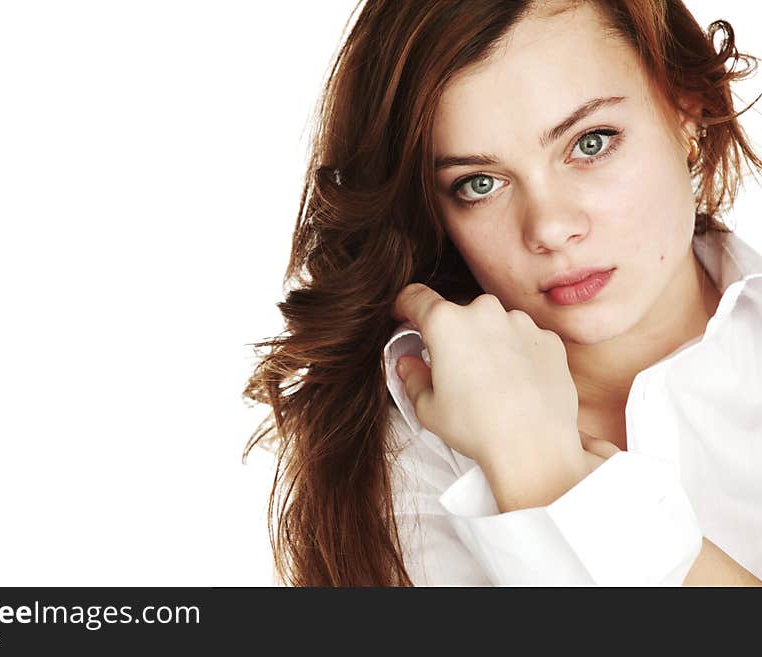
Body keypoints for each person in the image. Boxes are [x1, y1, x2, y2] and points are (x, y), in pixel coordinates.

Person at [242, 0, 762, 586]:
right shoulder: (408, 455)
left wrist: (547, 475)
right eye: (479, 184)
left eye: (591, 143)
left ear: (686, 108)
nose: (548, 227)